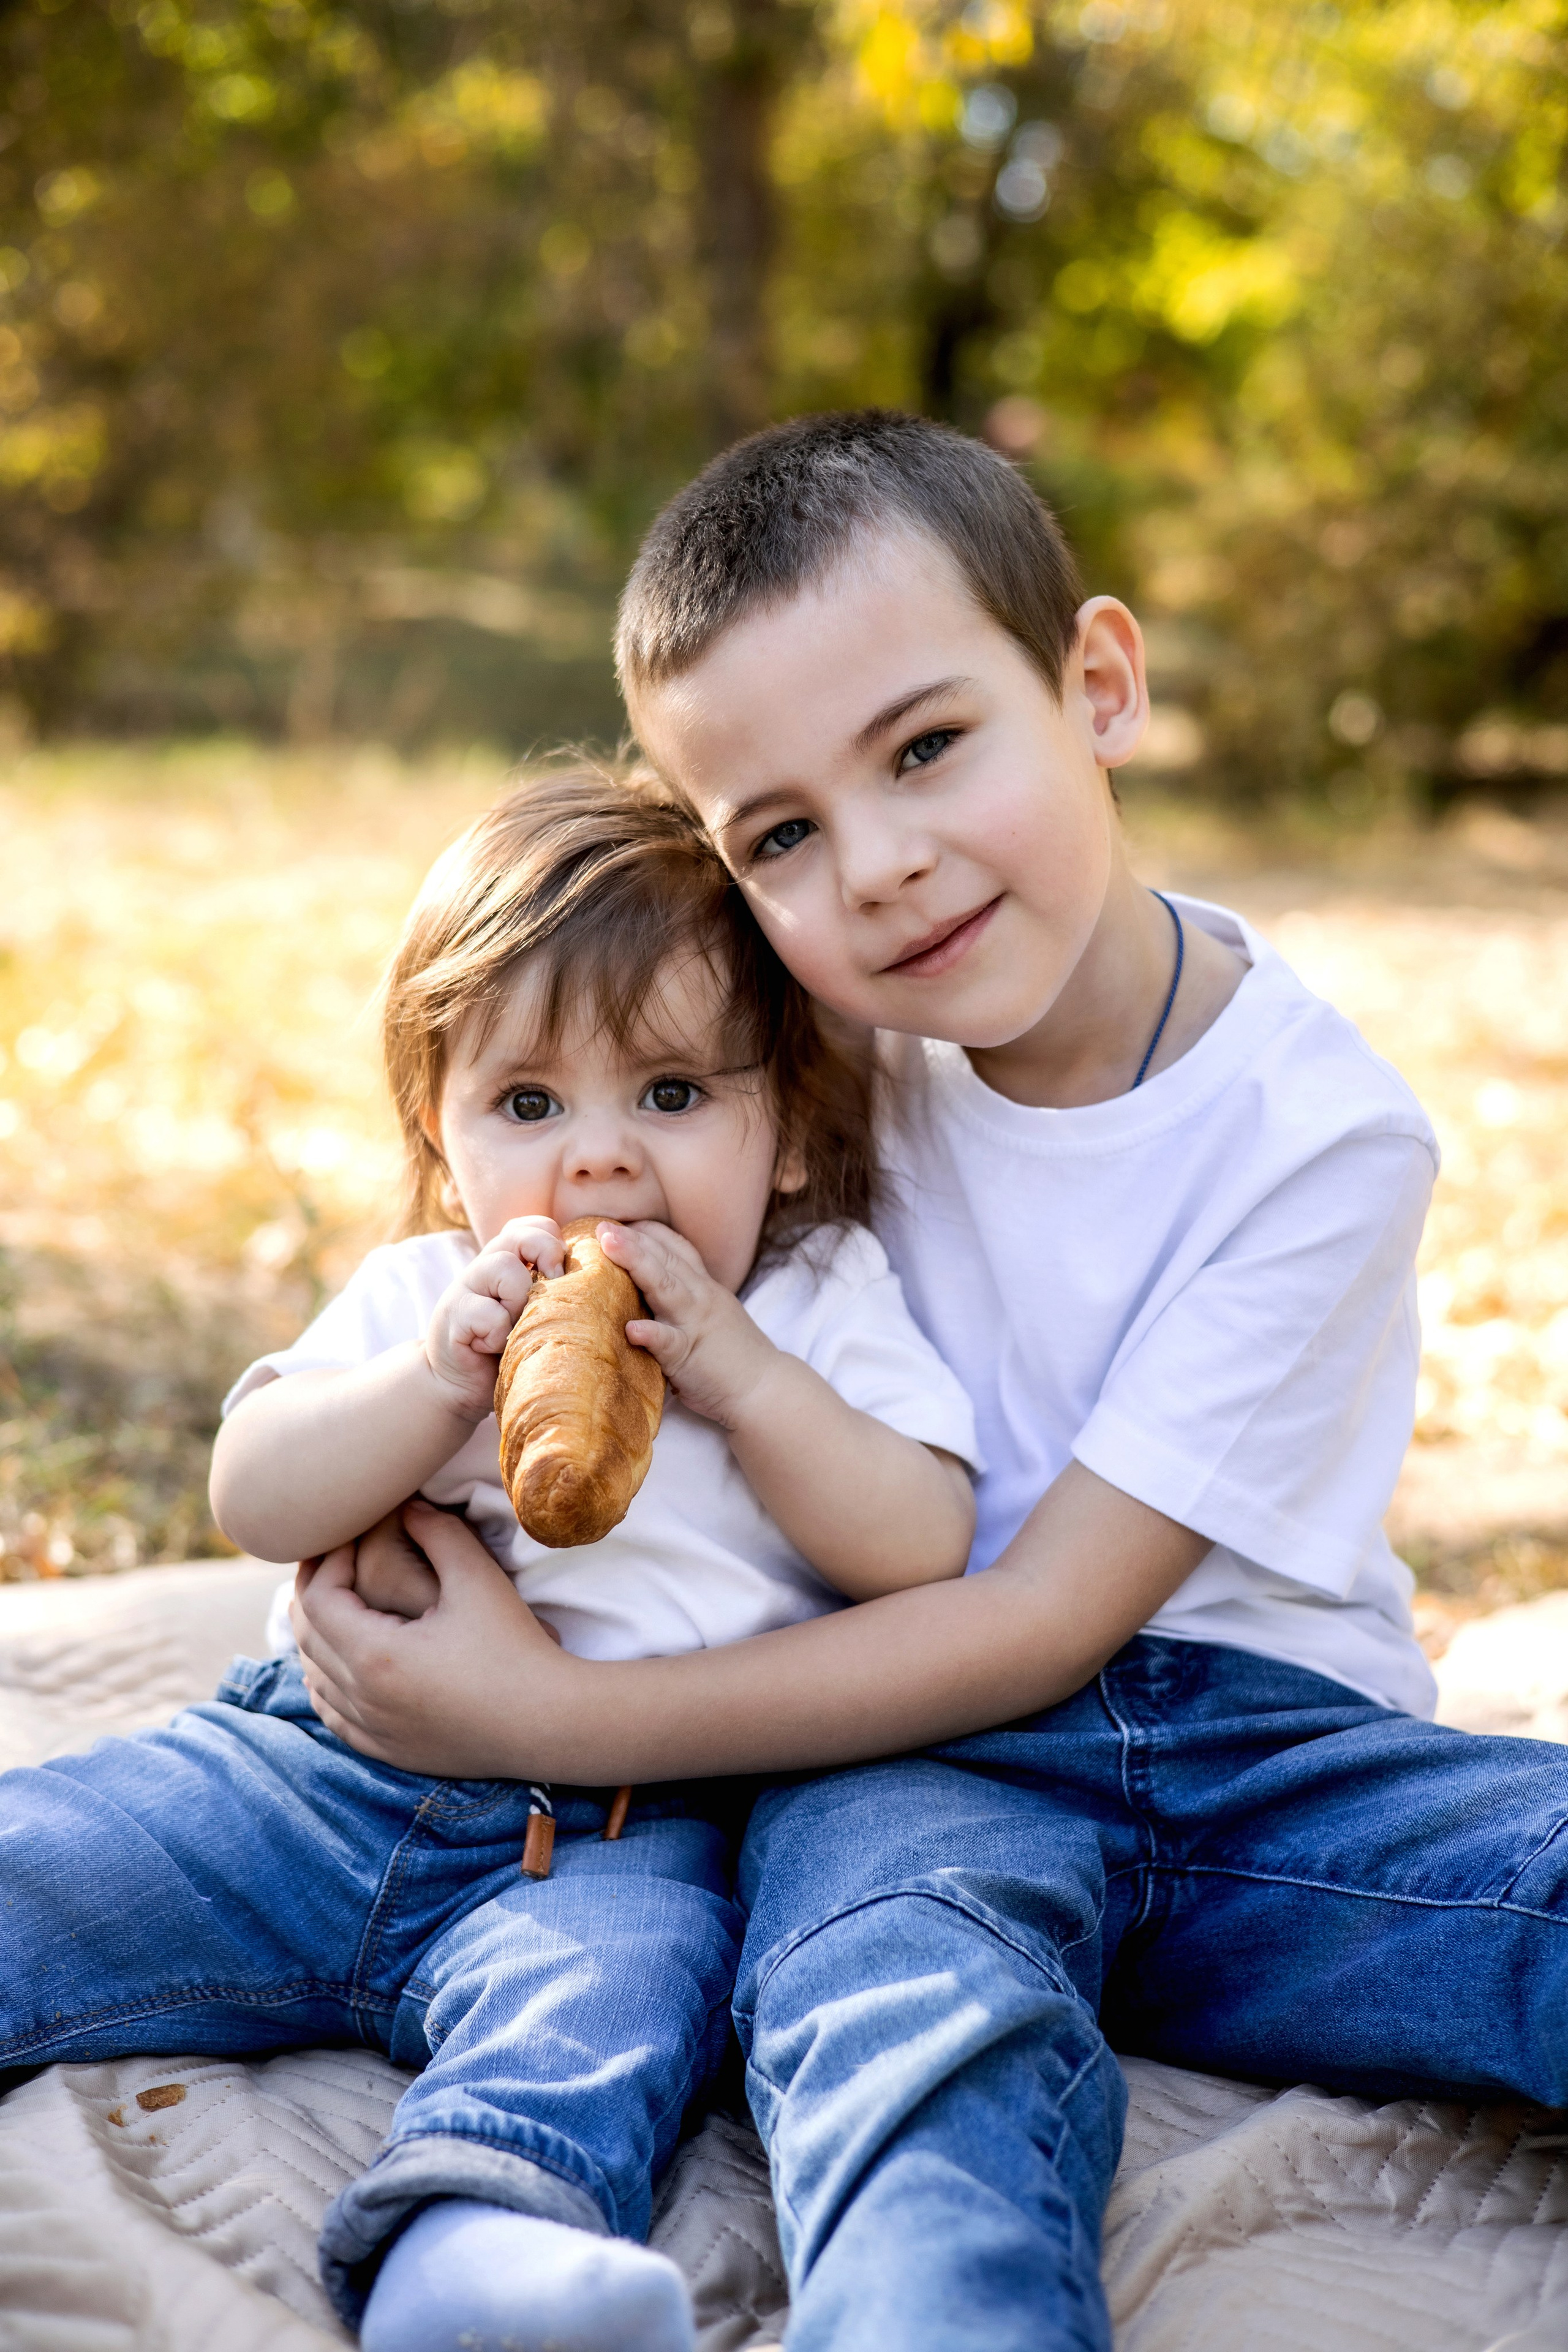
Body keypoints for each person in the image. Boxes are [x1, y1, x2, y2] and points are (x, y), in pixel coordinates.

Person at [294, 411, 1568, 2352]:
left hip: (1260, 1748)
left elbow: (1049, 1621)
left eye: (928, 747)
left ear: (1098, 684)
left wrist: (554, 1715)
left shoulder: (1317, 1136)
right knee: (909, 2042)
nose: (878, 868)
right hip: (889, 1770)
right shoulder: (789, 1069)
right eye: (782, 835)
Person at [0, 764, 981, 2352]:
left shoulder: (817, 1303)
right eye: (529, 1107)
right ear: (447, 1146)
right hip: (320, 1774)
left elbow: (923, 1542)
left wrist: (742, 1374)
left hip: (619, 1834)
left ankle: (477, 2260)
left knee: (605, 2020)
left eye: (672, 1095)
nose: (596, 1162)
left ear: (788, 1131)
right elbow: (253, 1489)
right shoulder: (429, 1294)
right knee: (57, 1858)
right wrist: (430, 1386)